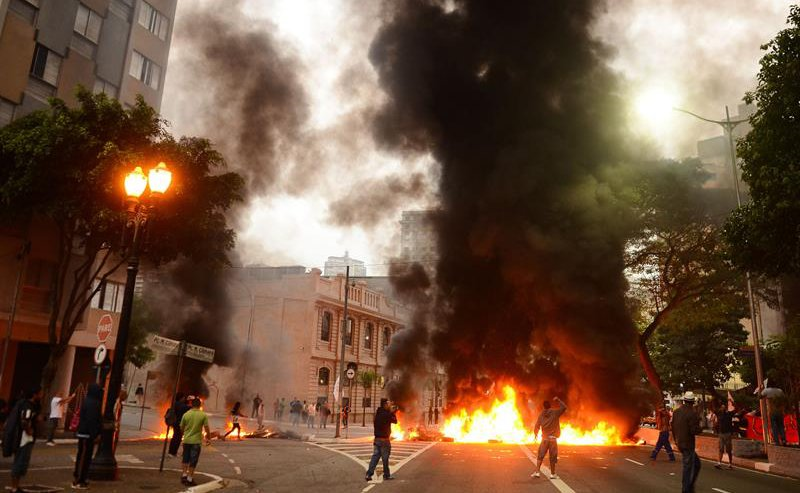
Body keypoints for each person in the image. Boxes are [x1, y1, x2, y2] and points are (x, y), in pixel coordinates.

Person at [3, 386, 42, 493]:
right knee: (20, 462)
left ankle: (16, 486)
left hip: (22, 437)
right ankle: (14, 487)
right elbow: (25, 420)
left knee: (20, 461)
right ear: (34, 394)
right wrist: (29, 430)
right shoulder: (28, 406)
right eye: (40, 393)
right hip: (24, 438)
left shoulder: (26, 404)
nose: (41, 395)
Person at [73, 383, 103, 489]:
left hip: (86, 433)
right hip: (87, 434)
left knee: (84, 456)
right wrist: (95, 434)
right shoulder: (93, 403)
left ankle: (81, 478)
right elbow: (92, 420)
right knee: (84, 457)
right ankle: (79, 480)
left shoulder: (88, 401)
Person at [672, 392, 702, 493]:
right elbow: (694, 431)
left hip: (680, 442)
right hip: (688, 444)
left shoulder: (676, 412)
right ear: (693, 402)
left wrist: (676, 440)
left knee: (696, 464)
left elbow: (673, 427)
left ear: (684, 400)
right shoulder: (693, 413)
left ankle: (690, 486)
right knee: (688, 468)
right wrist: (700, 427)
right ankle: (686, 490)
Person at [531, 396, 567, 480]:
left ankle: (537, 472)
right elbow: (564, 407)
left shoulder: (541, 415)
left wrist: (535, 434)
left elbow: (537, 426)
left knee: (540, 456)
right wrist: (558, 400)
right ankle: (553, 474)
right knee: (552, 457)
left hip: (544, 439)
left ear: (543, 407)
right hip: (553, 439)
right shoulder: (555, 413)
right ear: (550, 406)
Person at [179, 397, 211, 486]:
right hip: (196, 442)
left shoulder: (186, 414)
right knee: (193, 460)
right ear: (200, 405)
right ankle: (189, 479)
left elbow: (181, 427)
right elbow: (207, 428)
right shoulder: (203, 415)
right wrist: (208, 438)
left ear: (191, 405)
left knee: (185, 458)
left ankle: (184, 475)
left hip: (186, 440)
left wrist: (184, 434)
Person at [365, 399, 398, 482]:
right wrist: (392, 413)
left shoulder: (378, 413)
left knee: (375, 457)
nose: (390, 405)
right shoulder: (387, 414)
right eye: (389, 403)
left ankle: (369, 474)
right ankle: (386, 475)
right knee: (385, 458)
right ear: (385, 405)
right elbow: (395, 421)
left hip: (377, 439)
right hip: (384, 440)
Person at [714, 404, 735, 470]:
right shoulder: (719, 414)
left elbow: (735, 410)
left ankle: (730, 464)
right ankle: (719, 463)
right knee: (721, 448)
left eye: (723, 407)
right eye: (721, 407)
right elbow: (714, 409)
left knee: (728, 449)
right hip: (721, 434)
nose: (722, 408)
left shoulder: (729, 414)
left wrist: (732, 403)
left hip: (727, 434)